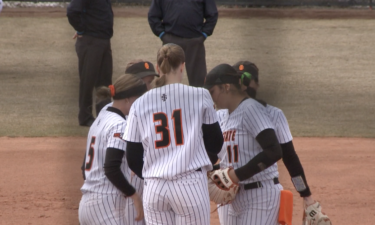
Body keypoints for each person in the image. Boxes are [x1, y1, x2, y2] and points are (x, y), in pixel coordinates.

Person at [124, 43, 224, 225]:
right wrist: (199, 162)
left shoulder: (139, 104)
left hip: (154, 189)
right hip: (190, 184)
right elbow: (216, 143)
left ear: (158, 68)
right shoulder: (200, 95)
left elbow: (132, 156)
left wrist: (153, 173)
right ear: (182, 66)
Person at [204, 64, 283, 225]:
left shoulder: (251, 109)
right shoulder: (222, 116)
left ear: (226, 87)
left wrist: (236, 175)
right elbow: (224, 156)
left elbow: (274, 150)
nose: (211, 98)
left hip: (260, 196)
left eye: (212, 92)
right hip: (234, 198)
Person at [232, 61, 317, 206]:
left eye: (245, 80)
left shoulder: (273, 114)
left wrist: (306, 195)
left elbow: (289, 158)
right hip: (231, 199)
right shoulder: (222, 115)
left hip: (262, 196)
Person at [78, 74, 146, 225]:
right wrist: (134, 194)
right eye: (138, 99)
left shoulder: (102, 115)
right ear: (127, 98)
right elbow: (111, 168)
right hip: (106, 207)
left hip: (86, 205)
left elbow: (84, 167)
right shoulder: (119, 125)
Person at [148, 0, 218, 87]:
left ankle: (198, 100)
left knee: (198, 80)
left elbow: (212, 14)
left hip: (194, 41)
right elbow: (153, 15)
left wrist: (204, 34)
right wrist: (163, 35)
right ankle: (167, 99)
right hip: (171, 39)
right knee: (167, 77)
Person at [67, 0, 114, 126]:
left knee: (105, 81)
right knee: (88, 80)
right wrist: (81, 29)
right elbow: (72, 11)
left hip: (104, 39)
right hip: (90, 41)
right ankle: (85, 117)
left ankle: (105, 115)